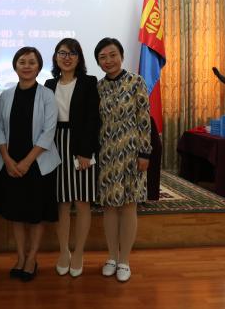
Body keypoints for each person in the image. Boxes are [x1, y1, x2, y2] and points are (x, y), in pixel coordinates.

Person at [0, 47, 60, 282]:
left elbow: (49, 131)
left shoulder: (47, 95)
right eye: (22, 61)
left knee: (35, 215)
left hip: (38, 164)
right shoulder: (5, 95)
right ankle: (20, 257)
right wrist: (7, 159)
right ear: (15, 66)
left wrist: (27, 162)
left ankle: (32, 258)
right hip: (10, 164)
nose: (26, 66)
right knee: (16, 214)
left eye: (32, 62)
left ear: (39, 67)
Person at [94, 37, 151, 283]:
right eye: (102, 57)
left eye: (112, 55)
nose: (108, 60)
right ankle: (111, 257)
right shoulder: (98, 87)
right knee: (109, 207)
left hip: (131, 153)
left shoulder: (136, 82)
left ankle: (124, 260)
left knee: (128, 206)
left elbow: (144, 119)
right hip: (107, 154)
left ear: (121, 56)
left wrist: (145, 152)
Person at [44, 38, 99, 278]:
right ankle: (63, 252)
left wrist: (86, 152)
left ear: (79, 58)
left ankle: (79, 252)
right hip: (56, 145)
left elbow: (93, 120)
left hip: (80, 146)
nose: (67, 57)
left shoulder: (88, 82)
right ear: (56, 57)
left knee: (82, 201)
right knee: (62, 202)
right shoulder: (49, 84)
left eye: (72, 53)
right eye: (62, 53)